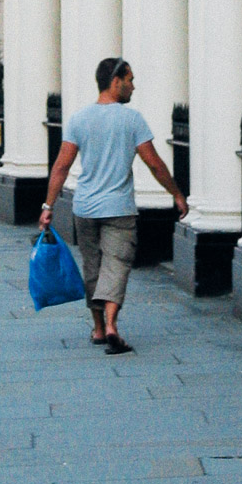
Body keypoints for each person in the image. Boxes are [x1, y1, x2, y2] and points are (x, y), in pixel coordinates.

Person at [39, 57, 188, 355]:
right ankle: (111, 326)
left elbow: (61, 167)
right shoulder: (132, 120)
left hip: (85, 208)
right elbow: (155, 164)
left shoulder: (79, 119)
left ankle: (97, 329)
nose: (133, 86)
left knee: (93, 268)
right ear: (115, 80)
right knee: (116, 266)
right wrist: (176, 193)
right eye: (130, 79)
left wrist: (48, 205)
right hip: (119, 208)